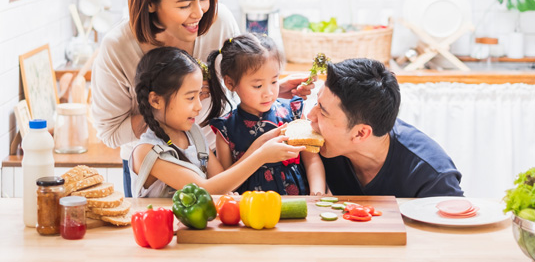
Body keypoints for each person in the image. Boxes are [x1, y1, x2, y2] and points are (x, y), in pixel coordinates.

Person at [91, 0, 314, 197]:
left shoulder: (219, 21)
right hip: (154, 165)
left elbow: (239, 73)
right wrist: (169, 105)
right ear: (151, 3)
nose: (199, 12)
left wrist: (262, 87)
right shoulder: (118, 48)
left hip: (209, 156)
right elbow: (109, 134)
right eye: (184, 5)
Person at [129, 46, 304, 197]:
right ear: (155, 100)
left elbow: (224, 180)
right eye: (190, 98)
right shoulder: (146, 152)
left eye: (200, 95)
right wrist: (261, 156)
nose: (199, 106)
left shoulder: (194, 133)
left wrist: (259, 144)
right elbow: (206, 189)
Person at [308, 58, 464, 198]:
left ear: (360, 133)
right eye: (317, 103)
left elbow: (456, 228)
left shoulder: (430, 174)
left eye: (322, 111)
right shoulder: (323, 144)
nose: (310, 116)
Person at [207, 34, 326, 195]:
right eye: (258, 86)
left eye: (274, 81)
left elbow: (311, 159)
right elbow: (228, 181)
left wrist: (317, 193)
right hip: (252, 209)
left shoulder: (292, 112)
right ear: (230, 83)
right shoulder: (226, 130)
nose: (268, 93)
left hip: (297, 203)